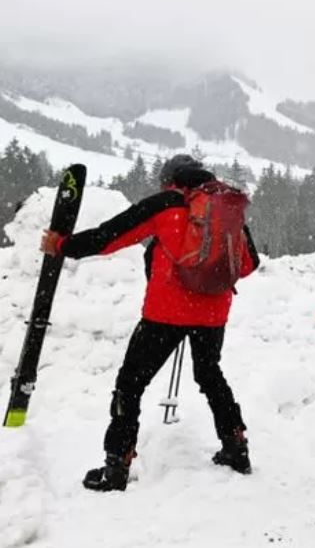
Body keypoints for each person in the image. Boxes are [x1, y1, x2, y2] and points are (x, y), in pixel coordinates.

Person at [40, 154, 260, 491]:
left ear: (170, 180)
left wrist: (62, 245)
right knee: (209, 375)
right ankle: (236, 446)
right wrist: (204, 274)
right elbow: (248, 264)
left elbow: (109, 236)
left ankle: (117, 465)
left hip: (166, 314)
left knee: (130, 384)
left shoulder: (166, 204)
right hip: (213, 314)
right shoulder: (224, 208)